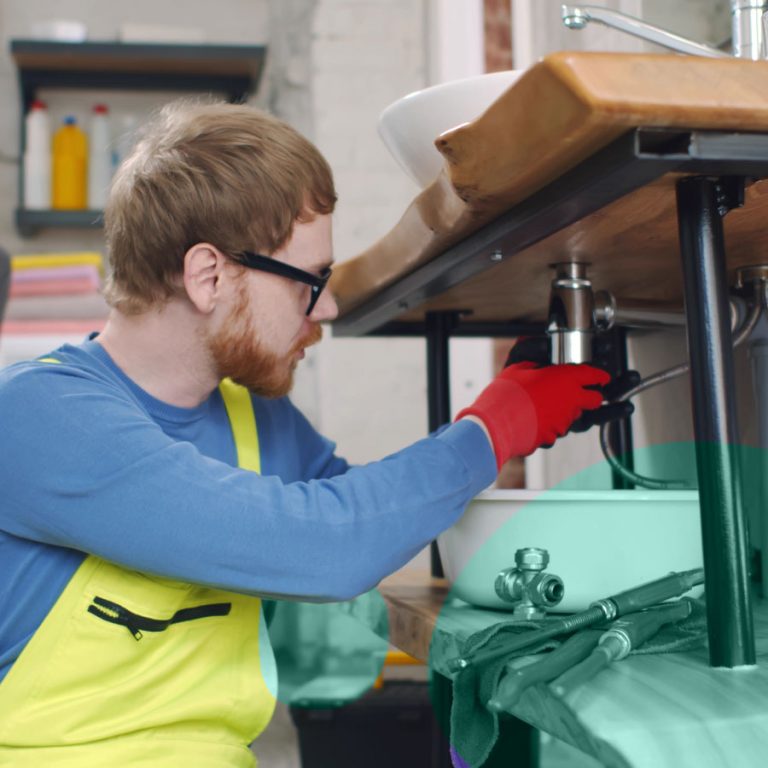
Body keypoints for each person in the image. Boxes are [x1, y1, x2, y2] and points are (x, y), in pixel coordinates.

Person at [0, 101, 609, 766]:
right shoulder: (37, 417)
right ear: (210, 276)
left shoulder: (251, 417)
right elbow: (327, 544)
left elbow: (370, 516)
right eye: (309, 281)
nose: (330, 307)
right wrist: (492, 429)